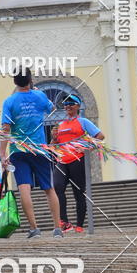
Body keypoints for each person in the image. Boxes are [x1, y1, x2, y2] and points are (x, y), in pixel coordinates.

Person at [0, 69, 63, 238]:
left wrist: (2, 153)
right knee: (49, 188)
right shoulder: (40, 96)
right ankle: (57, 228)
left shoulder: (9, 101)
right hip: (40, 149)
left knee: (24, 188)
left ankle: (34, 229)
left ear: (15, 82)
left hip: (18, 150)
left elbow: (6, 129)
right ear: (30, 80)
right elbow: (53, 108)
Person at [53, 93, 104, 233]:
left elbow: (100, 136)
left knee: (79, 193)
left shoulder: (84, 122)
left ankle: (80, 226)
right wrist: (53, 138)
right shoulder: (60, 125)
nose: (68, 106)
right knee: (57, 186)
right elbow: (54, 144)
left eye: (71, 103)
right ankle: (64, 221)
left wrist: (87, 147)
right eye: (65, 104)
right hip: (62, 160)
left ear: (78, 106)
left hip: (77, 160)